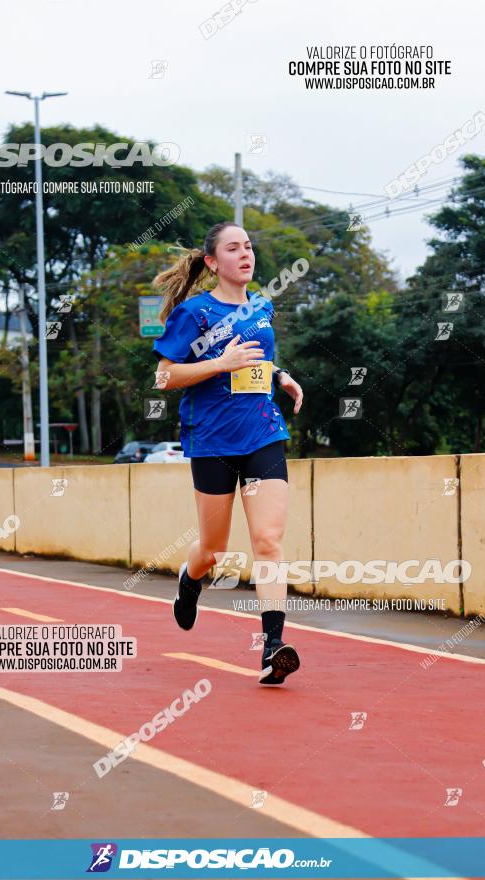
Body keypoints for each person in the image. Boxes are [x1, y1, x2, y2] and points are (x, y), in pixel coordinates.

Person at [152, 221, 304, 685]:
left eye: (249, 246)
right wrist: (220, 363)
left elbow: (257, 356)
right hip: (211, 440)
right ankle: (190, 579)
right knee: (214, 549)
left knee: (268, 542)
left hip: (262, 433)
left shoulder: (261, 306)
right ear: (213, 262)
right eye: (233, 248)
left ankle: (272, 647)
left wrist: (280, 375)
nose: (246, 254)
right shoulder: (193, 314)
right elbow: (165, 377)